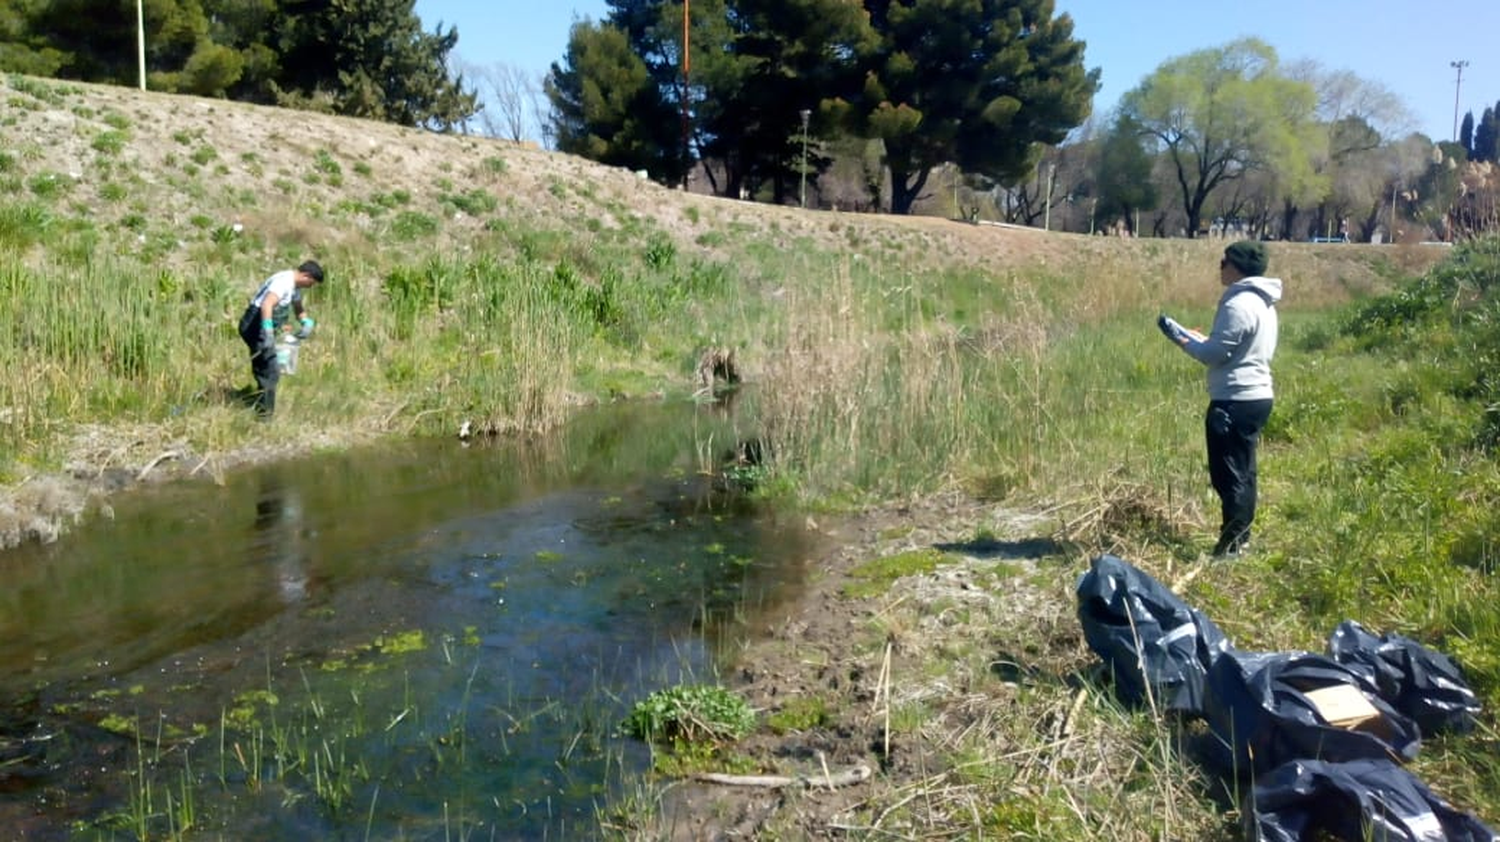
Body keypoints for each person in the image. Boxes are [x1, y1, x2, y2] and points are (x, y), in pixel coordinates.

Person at [1157, 241, 1282, 557]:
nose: (1220, 265)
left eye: (1224, 261)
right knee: (1244, 471)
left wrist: (1180, 338)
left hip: (1233, 400)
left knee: (1228, 476)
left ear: (1237, 267)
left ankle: (1230, 547)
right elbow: (1233, 348)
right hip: (1257, 396)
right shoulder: (1264, 302)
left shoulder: (1237, 304)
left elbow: (1213, 354)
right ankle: (1242, 539)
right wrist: (1199, 338)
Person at [238, 260, 323, 417]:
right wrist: (268, 332)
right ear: (306, 276)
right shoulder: (283, 282)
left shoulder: (293, 286)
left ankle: (260, 402)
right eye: (311, 283)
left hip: (263, 327)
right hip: (255, 326)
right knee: (271, 370)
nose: (310, 287)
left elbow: (298, 307)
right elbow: (267, 304)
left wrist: (306, 322)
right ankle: (265, 416)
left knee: (266, 366)